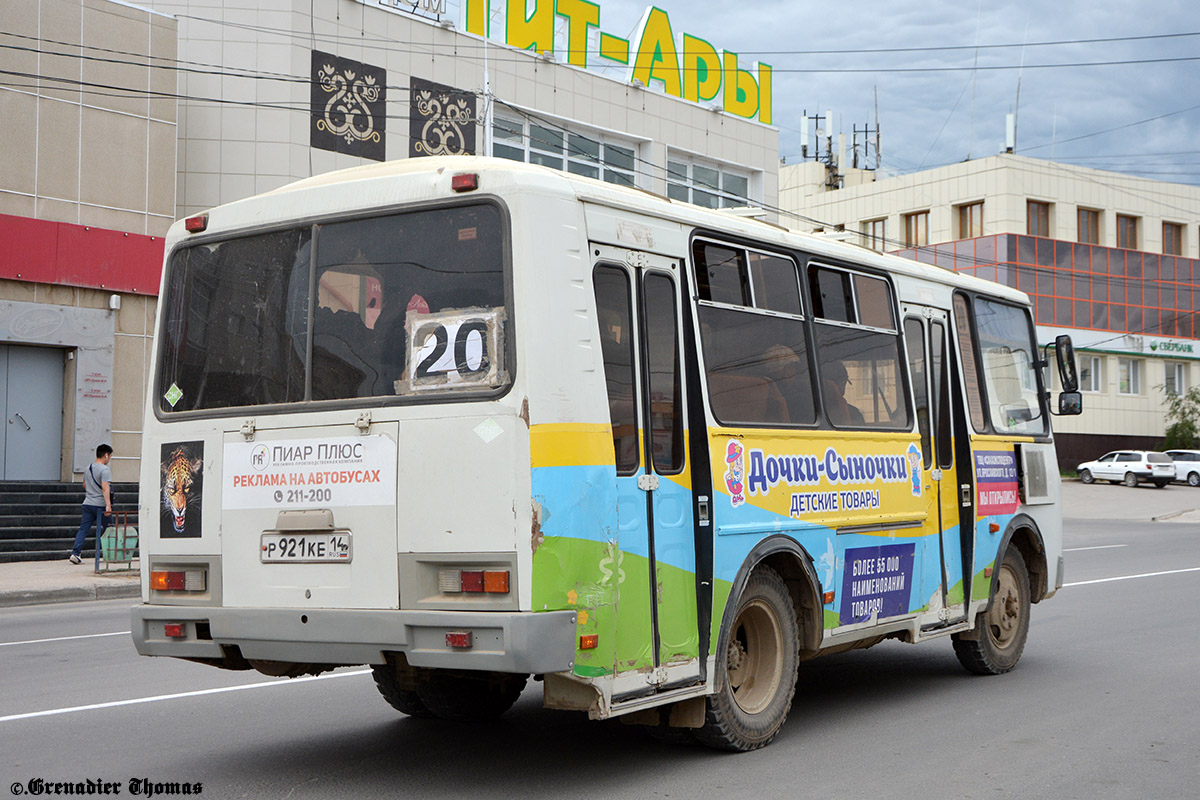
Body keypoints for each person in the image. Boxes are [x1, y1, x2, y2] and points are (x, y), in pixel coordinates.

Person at [70, 444, 113, 565]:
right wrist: (108, 505)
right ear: (106, 455)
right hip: (100, 505)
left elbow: (84, 485)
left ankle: (75, 553)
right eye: (109, 456)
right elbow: (105, 488)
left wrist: (92, 491)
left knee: (83, 529)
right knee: (110, 529)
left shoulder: (88, 468)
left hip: (88, 503)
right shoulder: (105, 470)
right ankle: (111, 553)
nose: (109, 459)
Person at [823, 361, 865, 426]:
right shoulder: (852, 413)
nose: (842, 387)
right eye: (842, 382)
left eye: (844, 382)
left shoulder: (812, 410)